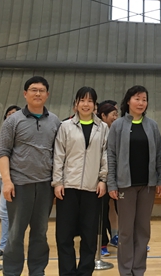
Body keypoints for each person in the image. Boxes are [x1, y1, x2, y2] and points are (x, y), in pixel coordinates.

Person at [0, 76, 61, 276]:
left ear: (47, 94)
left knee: (40, 233)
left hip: (45, 185)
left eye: (42, 90)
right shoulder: (13, 121)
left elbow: (59, 153)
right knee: (15, 233)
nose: (38, 93)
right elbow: (2, 152)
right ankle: (12, 272)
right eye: (33, 90)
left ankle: (37, 271)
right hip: (19, 185)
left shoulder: (55, 121)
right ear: (25, 94)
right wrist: (7, 181)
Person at [107, 85, 161, 276]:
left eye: (144, 99)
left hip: (147, 186)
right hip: (125, 186)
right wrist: (112, 183)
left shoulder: (152, 125)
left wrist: (159, 180)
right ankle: (125, 271)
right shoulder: (118, 125)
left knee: (143, 230)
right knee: (125, 232)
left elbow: (159, 154)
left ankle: (138, 270)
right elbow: (111, 155)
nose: (141, 103)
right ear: (128, 101)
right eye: (137, 99)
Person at [53, 86, 109, 276]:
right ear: (75, 104)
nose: (86, 104)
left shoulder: (103, 128)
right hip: (67, 187)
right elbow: (58, 156)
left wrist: (103, 179)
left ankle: (85, 272)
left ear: (95, 105)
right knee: (64, 235)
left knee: (89, 235)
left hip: (93, 189)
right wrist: (58, 182)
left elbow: (106, 156)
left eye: (90, 101)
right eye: (82, 100)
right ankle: (67, 272)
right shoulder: (65, 126)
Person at [0, 105, 21, 258]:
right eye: (8, 114)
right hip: (6, 176)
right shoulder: (5, 132)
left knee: (5, 211)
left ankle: (5, 245)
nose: (11, 116)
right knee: (3, 211)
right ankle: (5, 242)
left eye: (14, 114)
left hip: (19, 176)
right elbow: (2, 153)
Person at [97, 101, 119, 256]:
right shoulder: (98, 132)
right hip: (102, 178)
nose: (116, 117)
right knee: (102, 211)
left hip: (118, 178)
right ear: (103, 116)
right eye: (113, 114)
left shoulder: (118, 131)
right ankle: (102, 242)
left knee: (121, 210)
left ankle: (119, 238)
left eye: (117, 114)